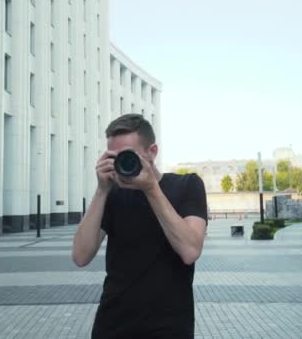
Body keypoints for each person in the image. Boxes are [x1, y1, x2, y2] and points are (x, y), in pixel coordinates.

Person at [72, 114, 208, 338]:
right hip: (112, 325)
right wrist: (101, 190)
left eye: (128, 155)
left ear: (152, 152)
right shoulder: (112, 194)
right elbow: (80, 256)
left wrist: (150, 188)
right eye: (114, 156)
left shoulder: (187, 185)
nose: (121, 162)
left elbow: (190, 251)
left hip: (169, 327)